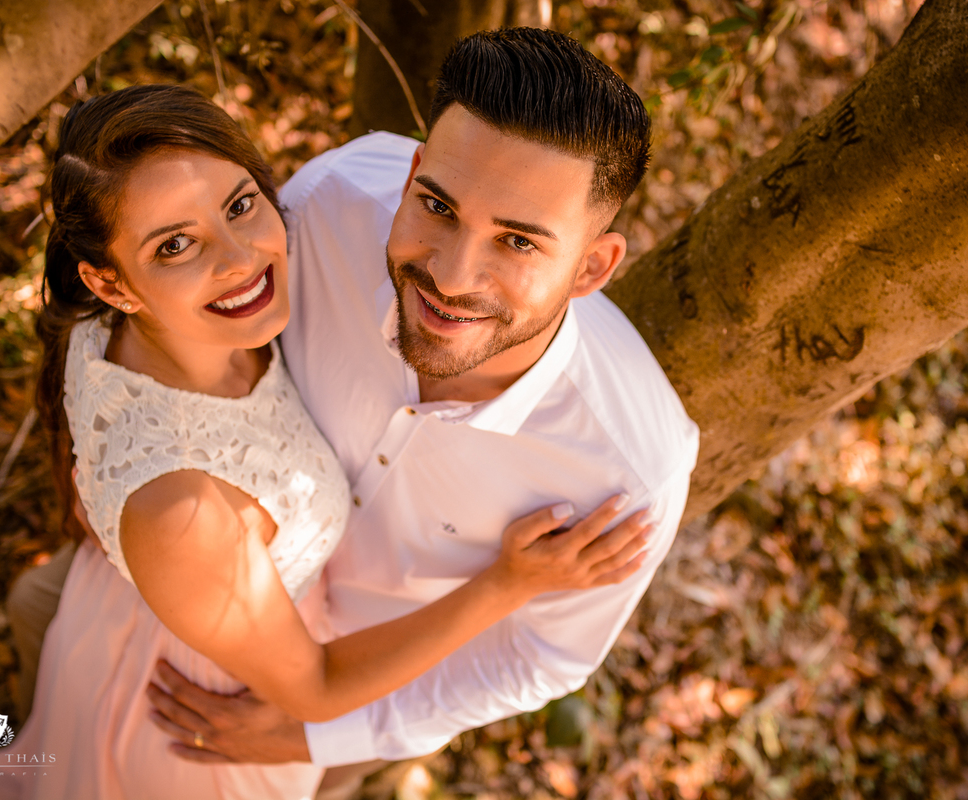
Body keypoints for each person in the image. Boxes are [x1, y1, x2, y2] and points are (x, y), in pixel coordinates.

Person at [0, 83, 651, 800]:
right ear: (111, 284)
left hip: (147, 621)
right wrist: (508, 583)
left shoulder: (186, 325)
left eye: (239, 206)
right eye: (175, 245)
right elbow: (314, 688)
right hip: (194, 718)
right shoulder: (183, 508)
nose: (239, 258)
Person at [143, 26, 701, 797]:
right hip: (175, 590)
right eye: (437, 206)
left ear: (592, 267)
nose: (452, 274)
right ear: (410, 175)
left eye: (518, 242)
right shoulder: (329, 206)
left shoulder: (629, 472)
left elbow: (536, 662)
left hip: (358, 696)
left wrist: (317, 734)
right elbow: (182, 323)